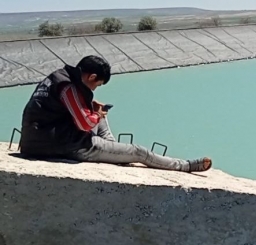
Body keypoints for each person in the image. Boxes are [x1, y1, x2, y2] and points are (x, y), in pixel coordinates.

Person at [19, 55, 212, 173]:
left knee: (100, 121)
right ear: (91, 76)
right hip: (59, 144)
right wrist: (97, 114)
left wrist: (94, 111)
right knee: (138, 152)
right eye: (97, 84)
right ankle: (185, 166)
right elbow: (85, 125)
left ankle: (114, 151)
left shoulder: (60, 76)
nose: (95, 88)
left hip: (41, 138)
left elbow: (61, 108)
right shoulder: (69, 87)